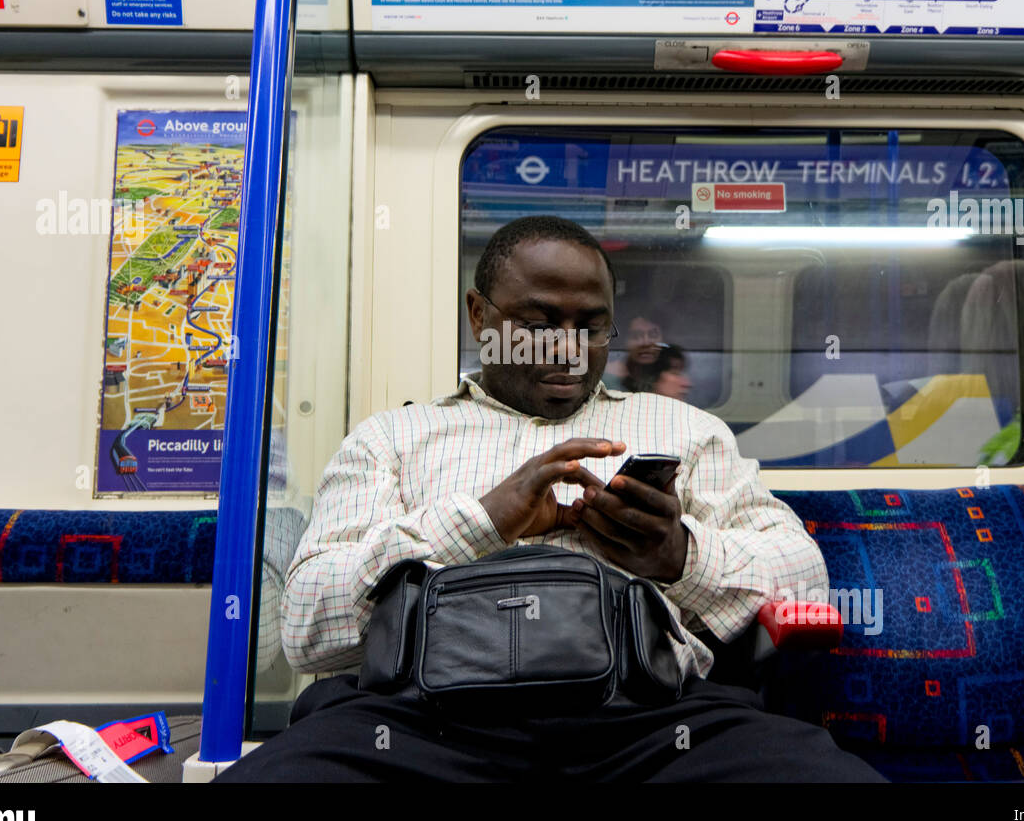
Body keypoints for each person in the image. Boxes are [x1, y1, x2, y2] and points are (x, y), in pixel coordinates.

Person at [216, 215, 884, 782]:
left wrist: (677, 554)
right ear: (480, 316)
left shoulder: (686, 431)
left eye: (592, 326)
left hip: (652, 723)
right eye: (538, 322)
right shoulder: (393, 438)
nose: (568, 347)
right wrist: (482, 522)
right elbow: (303, 626)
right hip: (422, 724)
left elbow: (805, 580)